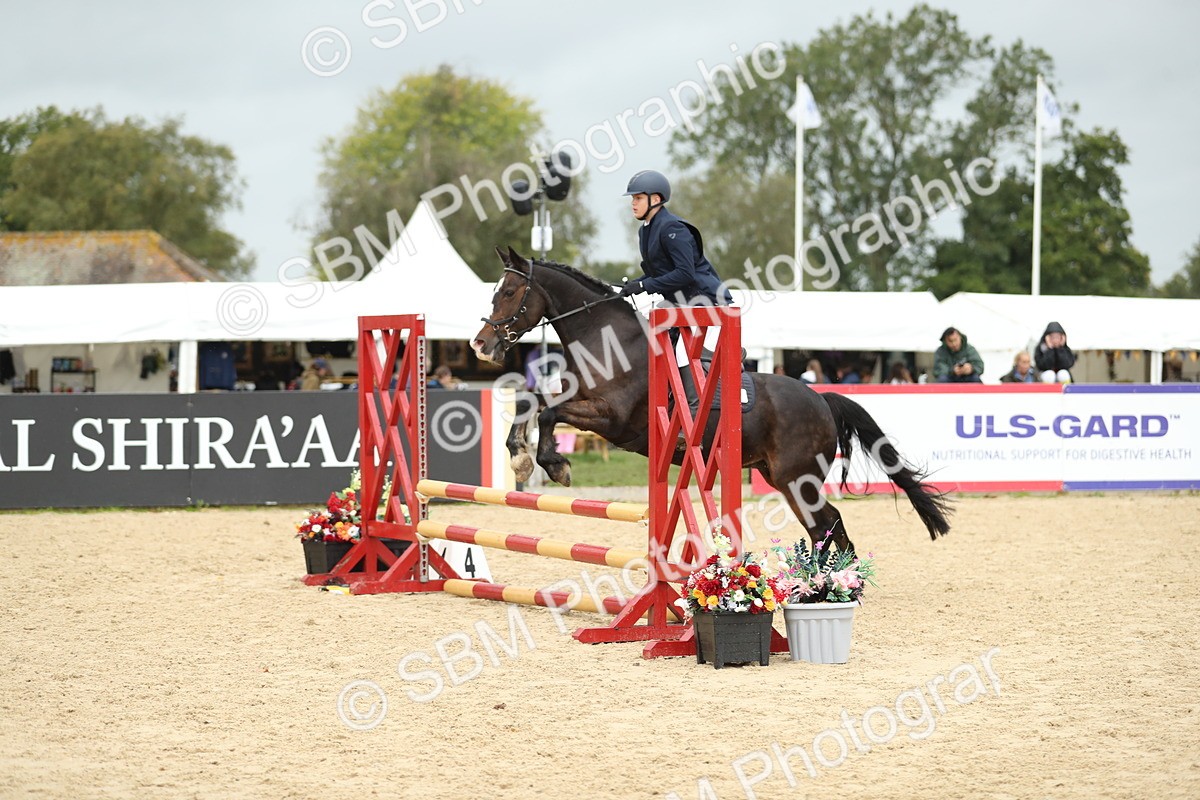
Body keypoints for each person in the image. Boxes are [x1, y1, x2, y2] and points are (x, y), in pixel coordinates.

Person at [617, 169, 732, 419]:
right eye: (632, 199)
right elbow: (659, 273)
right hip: (681, 301)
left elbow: (684, 274)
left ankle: (692, 410)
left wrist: (645, 286)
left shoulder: (673, 228)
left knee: (680, 351)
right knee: (650, 334)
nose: (633, 203)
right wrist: (634, 284)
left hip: (705, 299)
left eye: (637, 198)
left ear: (655, 199)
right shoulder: (646, 231)